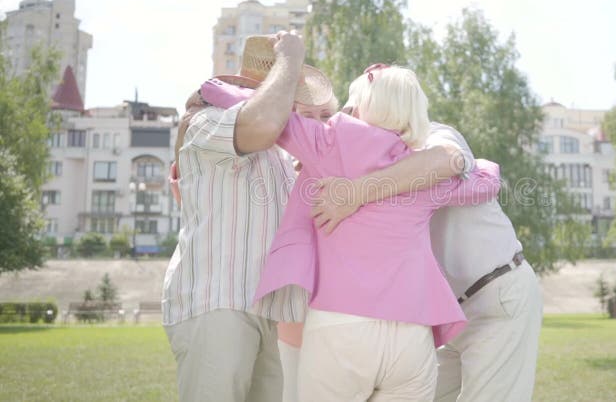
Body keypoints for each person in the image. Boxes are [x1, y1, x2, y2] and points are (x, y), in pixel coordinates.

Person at [252, 65, 503, 401]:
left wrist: (225, 85)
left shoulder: (324, 147)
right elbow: (487, 182)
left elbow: (258, 113)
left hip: (339, 326)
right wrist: (461, 162)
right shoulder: (424, 172)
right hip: (412, 333)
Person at [311, 89, 544, 402]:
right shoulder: (373, 164)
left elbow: (446, 160)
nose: (351, 122)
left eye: (357, 111)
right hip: (452, 316)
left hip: (496, 296)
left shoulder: (435, 135)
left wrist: (356, 193)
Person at [161, 31, 333, 402]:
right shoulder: (205, 120)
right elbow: (263, 124)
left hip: (260, 312)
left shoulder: (278, 157)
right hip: (215, 304)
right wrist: (290, 56)